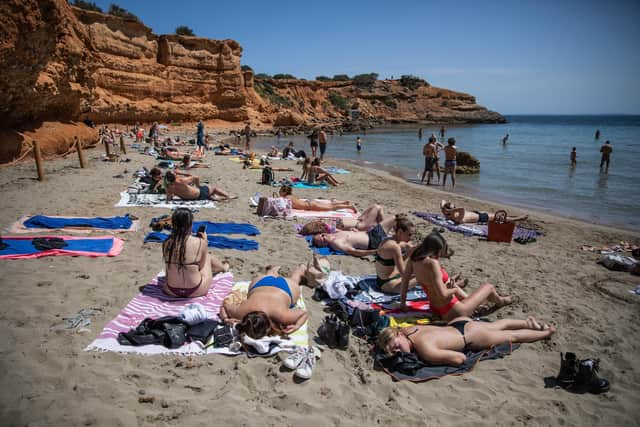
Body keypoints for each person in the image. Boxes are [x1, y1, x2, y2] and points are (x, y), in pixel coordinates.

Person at [399, 232, 512, 321]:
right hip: (453, 312)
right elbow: (443, 295)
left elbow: (405, 280)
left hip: (435, 310)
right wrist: (452, 289)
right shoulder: (432, 264)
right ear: (434, 250)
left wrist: (403, 303)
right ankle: (501, 301)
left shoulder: (414, 258)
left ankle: (476, 304)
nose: (439, 255)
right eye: (439, 252)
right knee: (489, 287)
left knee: (451, 283)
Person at [377, 316, 555, 366]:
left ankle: (545, 333)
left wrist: (432, 360)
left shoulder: (425, 350)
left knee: (513, 337)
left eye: (397, 348)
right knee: (495, 325)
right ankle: (527, 322)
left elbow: (460, 359)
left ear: (399, 336)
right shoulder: (407, 330)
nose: (399, 352)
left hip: (471, 337)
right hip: (458, 322)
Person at [220, 265, 308, 337]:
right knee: (295, 279)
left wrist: (225, 319)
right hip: (262, 284)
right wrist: (226, 318)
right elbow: (224, 305)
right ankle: (298, 269)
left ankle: (279, 270)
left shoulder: (281, 315)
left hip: (280, 288)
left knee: (294, 279)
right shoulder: (241, 313)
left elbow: (303, 314)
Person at [162, 208, 229, 298]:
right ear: (190, 224)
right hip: (196, 290)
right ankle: (223, 268)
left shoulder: (166, 242)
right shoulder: (200, 242)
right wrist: (204, 242)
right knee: (208, 257)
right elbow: (201, 267)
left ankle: (222, 268)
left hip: (171, 290)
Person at [311, 214, 411, 256]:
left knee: (395, 217)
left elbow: (348, 233)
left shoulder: (334, 233)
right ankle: (404, 237)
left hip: (371, 233)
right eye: (322, 242)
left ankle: (401, 236)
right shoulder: (336, 244)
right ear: (323, 246)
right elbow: (355, 252)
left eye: (322, 236)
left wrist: (353, 231)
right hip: (373, 242)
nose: (324, 238)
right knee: (404, 245)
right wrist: (376, 251)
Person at [375, 215, 416, 293]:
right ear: (400, 232)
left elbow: (397, 261)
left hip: (381, 280)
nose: (410, 238)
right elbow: (404, 273)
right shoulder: (395, 247)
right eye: (409, 234)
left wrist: (409, 252)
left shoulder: (386, 240)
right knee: (422, 276)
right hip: (389, 285)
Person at [164, 170, 235, 201]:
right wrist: (198, 186)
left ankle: (212, 197)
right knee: (213, 188)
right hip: (198, 195)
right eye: (174, 173)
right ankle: (228, 196)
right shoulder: (181, 180)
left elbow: (169, 198)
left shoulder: (168, 187)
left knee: (207, 191)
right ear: (174, 176)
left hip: (186, 199)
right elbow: (196, 177)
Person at [278, 185, 356, 212]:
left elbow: (283, 207)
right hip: (309, 202)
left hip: (310, 205)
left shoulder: (286, 199)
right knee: (328, 204)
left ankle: (349, 207)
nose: (279, 192)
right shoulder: (291, 196)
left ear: (284, 192)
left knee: (331, 208)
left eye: (280, 191)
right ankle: (343, 203)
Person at [440, 200, 528, 224]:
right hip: (481, 218)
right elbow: (462, 209)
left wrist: (446, 209)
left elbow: (442, 201)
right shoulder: (456, 218)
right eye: (453, 207)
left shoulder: (448, 214)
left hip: (477, 213)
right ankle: (518, 218)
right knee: (500, 218)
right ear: (449, 211)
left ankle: (513, 217)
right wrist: (450, 210)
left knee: (496, 215)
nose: (455, 207)